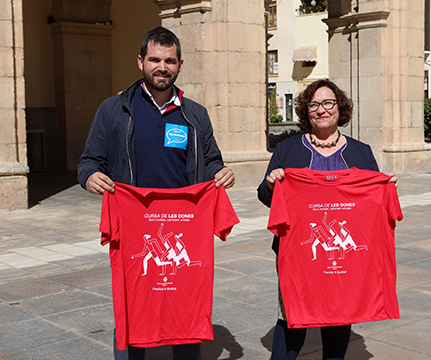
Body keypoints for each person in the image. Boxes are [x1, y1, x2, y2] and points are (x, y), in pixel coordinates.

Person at [77, 26, 234, 360]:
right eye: (155, 59)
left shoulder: (195, 114)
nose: (162, 67)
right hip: (134, 228)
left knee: (185, 303)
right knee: (132, 304)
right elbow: (89, 160)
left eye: (169, 61)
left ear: (180, 65)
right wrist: (90, 176)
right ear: (140, 61)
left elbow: (210, 161)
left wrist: (219, 172)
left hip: (184, 226)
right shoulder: (113, 109)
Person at [257, 79, 396, 360]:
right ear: (306, 111)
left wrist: (385, 189)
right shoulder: (288, 150)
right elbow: (264, 195)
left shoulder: (360, 151)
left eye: (328, 103)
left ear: (340, 108)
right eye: (314, 104)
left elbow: (370, 201)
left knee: (338, 313)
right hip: (298, 250)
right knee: (292, 312)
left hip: (344, 251)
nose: (321, 110)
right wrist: (272, 185)